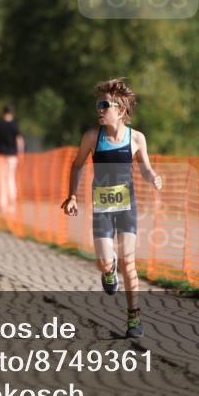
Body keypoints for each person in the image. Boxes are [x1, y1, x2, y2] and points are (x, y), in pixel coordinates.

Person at [61, 78, 162, 339]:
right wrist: (72, 196)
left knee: (129, 262)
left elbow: (145, 166)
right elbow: (77, 164)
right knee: (106, 263)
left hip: (127, 207)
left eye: (105, 105)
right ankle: (108, 271)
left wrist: (153, 176)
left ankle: (134, 317)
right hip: (102, 209)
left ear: (121, 109)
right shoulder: (92, 137)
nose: (100, 109)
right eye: (98, 104)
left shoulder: (137, 138)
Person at [0, 105, 24, 214]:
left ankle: (2, 205)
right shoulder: (15, 125)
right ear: (12, 113)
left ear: (2, 112)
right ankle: (12, 204)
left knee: (1, 180)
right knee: (11, 179)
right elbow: (19, 140)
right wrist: (21, 153)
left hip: (0, 155)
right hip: (12, 156)